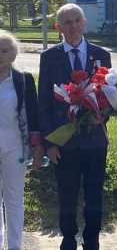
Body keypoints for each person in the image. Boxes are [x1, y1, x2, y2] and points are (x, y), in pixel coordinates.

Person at [38, 3, 111, 250]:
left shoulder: (102, 55)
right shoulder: (49, 58)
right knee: (67, 193)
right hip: (64, 142)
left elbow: (111, 96)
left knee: (94, 194)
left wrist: (104, 116)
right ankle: (68, 237)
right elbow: (44, 103)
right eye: (66, 22)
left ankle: (92, 239)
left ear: (84, 23)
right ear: (58, 27)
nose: (73, 26)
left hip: (95, 140)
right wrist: (50, 143)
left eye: (76, 20)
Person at [0, 30, 43, 250]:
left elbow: (34, 116)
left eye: (4, 50)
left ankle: (15, 246)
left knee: (14, 200)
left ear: (13, 54)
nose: (0, 54)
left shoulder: (24, 80)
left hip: (16, 147)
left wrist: (37, 148)